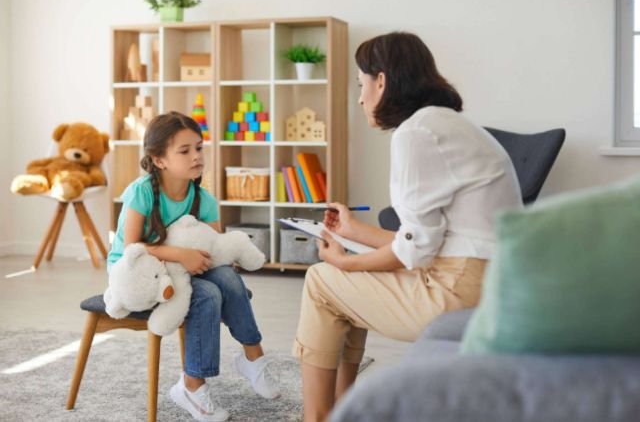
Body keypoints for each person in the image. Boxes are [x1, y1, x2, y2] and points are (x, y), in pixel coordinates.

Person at [292, 32, 523, 421]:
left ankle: (316, 417)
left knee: (322, 280)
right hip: (489, 282)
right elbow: (428, 239)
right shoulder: (447, 124)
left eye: (362, 84)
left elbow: (414, 253)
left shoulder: (416, 133)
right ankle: (341, 411)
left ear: (382, 81)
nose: (361, 98)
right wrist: (353, 231)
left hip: (457, 291)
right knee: (341, 288)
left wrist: (346, 262)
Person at [107, 112, 279, 422]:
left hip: (182, 272)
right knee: (208, 295)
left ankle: (253, 357)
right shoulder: (141, 192)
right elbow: (131, 249)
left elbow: (213, 252)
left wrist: (207, 257)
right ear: (159, 159)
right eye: (184, 151)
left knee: (224, 275)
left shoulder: (205, 200)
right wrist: (180, 254)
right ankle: (192, 385)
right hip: (138, 274)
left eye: (199, 147)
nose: (197, 156)